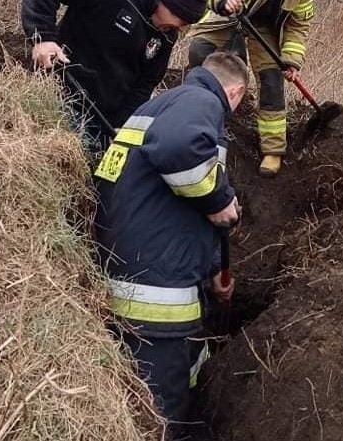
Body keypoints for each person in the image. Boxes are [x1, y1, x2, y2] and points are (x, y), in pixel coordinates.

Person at [93, 51, 248, 438]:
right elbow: (180, 150)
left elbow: (174, 204)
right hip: (156, 293)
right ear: (236, 92)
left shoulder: (160, 104)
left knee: (182, 376)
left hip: (134, 267)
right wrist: (221, 200)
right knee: (160, 408)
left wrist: (212, 270)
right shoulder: (203, 102)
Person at [21, 0, 209, 151]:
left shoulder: (167, 33)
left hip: (102, 120)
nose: (182, 28)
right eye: (182, 20)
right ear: (166, 2)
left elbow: (146, 82)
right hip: (57, 95)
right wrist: (43, 37)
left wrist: (124, 123)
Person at [185, 0, 314, 177]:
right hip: (230, 16)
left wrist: (291, 59)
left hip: (265, 28)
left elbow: (299, 25)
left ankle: (273, 149)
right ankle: (199, 117)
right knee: (200, 50)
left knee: (272, 78)